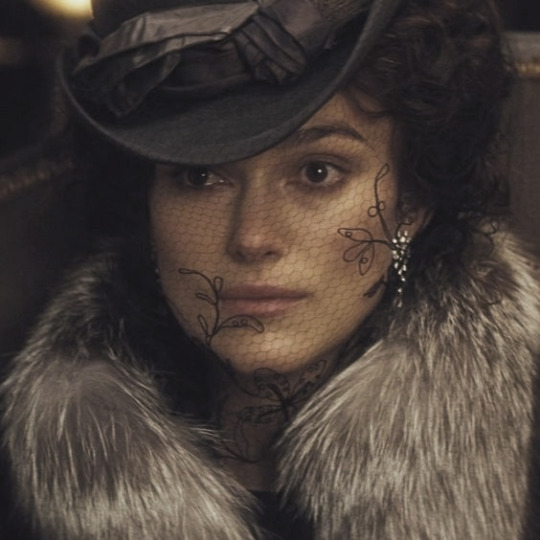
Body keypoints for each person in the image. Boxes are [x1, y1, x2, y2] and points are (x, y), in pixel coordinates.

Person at [1, 0, 539, 538]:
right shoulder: (18, 482)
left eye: (318, 172)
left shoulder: (526, 446)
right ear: (145, 206)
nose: (252, 238)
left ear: (411, 204)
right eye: (199, 176)